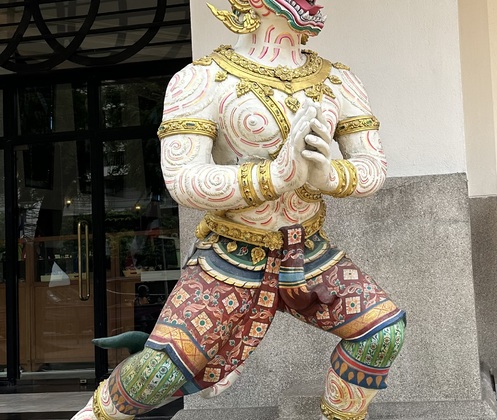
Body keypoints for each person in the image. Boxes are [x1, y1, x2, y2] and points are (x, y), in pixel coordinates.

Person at [73, 1, 406, 418]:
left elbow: (372, 168)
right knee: (159, 373)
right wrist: (275, 177)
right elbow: (183, 179)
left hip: (308, 251)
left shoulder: (339, 80)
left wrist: (328, 177)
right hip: (230, 255)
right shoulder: (201, 80)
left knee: (382, 332)